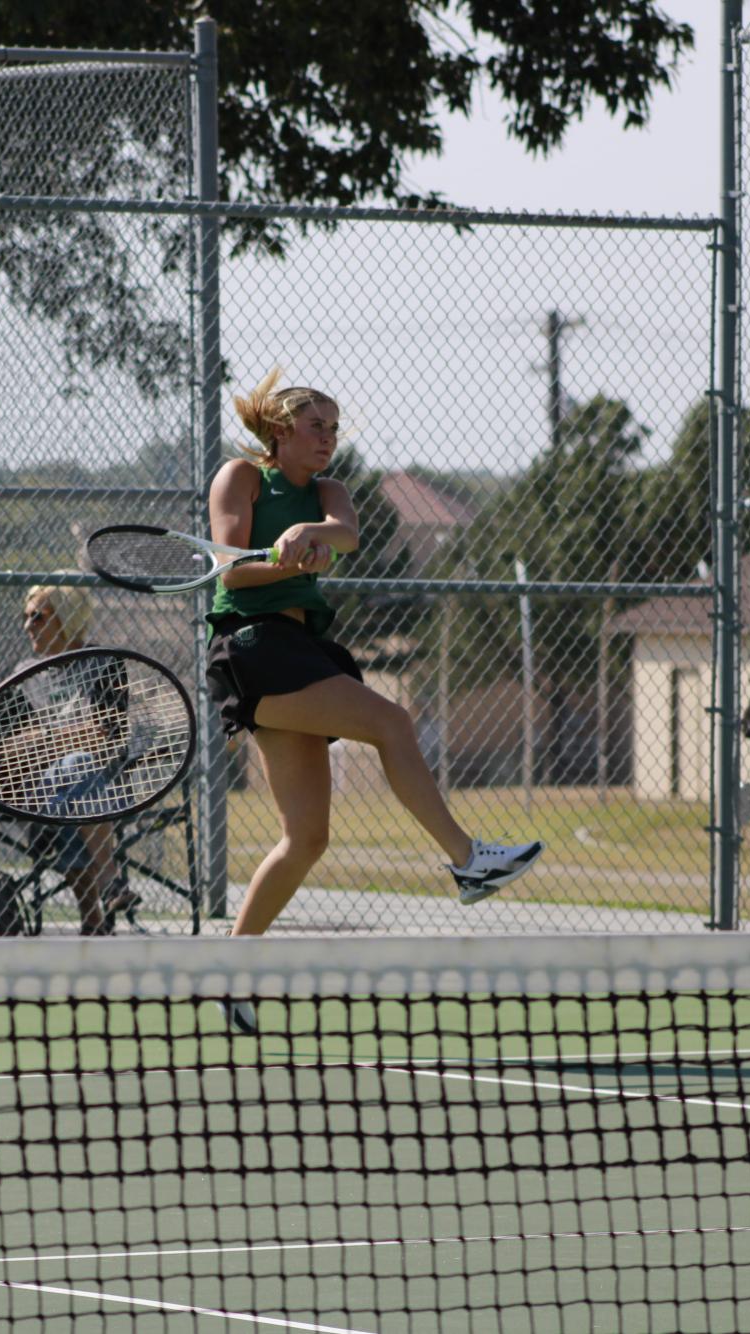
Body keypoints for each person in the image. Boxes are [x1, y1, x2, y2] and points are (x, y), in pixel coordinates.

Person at [205, 371, 544, 997]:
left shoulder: (329, 490)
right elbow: (228, 574)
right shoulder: (241, 478)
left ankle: (231, 974)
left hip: (303, 648)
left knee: (306, 838)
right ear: (280, 431)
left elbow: (347, 533)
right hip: (253, 647)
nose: (327, 438)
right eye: (316, 427)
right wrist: (279, 555)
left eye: (333, 428)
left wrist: (311, 536)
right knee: (393, 722)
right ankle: (469, 861)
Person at [0, 580, 136, 934]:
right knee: (68, 775)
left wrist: (43, 740)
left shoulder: (103, 662)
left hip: (102, 783)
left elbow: (104, 738)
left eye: (38, 617)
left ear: (67, 617)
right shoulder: (27, 674)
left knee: (75, 771)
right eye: (26, 617)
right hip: (38, 790)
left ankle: (94, 914)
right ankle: (108, 883)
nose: (28, 626)